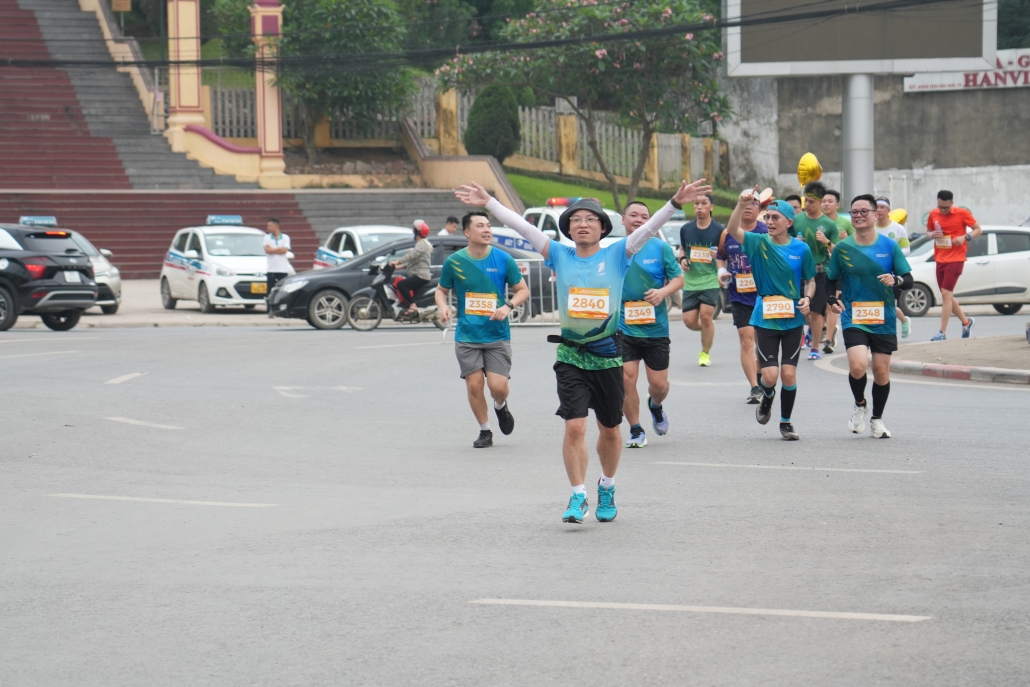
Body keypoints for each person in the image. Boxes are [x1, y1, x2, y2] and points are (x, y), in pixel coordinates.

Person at [455, 178, 710, 524]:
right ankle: (578, 496)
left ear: (603, 227)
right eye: (576, 220)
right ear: (569, 229)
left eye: (590, 219)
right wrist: (490, 203)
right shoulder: (558, 254)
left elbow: (649, 229)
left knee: (609, 430)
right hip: (571, 355)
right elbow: (523, 227)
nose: (583, 224)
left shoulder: (619, 253)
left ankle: (607, 485)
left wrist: (674, 204)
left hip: (607, 354)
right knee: (574, 427)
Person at [725, 188, 816, 441]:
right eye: (768, 218)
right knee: (770, 376)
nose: (770, 222)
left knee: (788, 374)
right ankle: (767, 395)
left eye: (776, 218)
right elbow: (733, 230)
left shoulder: (801, 249)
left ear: (789, 222)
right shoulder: (758, 242)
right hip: (765, 316)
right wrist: (739, 203)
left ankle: (785, 422)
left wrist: (807, 298)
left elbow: (810, 280)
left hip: (793, 318)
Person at [436, 212, 530, 448]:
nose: (487, 230)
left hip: (497, 334)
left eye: (489, 226)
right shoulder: (454, 262)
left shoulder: (503, 259)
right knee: (475, 385)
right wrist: (442, 307)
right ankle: (485, 430)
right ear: (467, 232)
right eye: (480, 226)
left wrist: (508, 306)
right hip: (467, 334)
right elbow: (441, 290)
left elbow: (522, 290)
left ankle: (500, 406)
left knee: (498, 387)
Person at [827, 194, 913, 439]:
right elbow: (831, 279)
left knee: (881, 372)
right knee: (857, 366)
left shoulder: (889, 246)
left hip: (883, 316)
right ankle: (859, 403)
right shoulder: (843, 248)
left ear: (876, 215)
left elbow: (908, 279)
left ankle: (877, 419)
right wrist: (832, 300)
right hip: (854, 315)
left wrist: (895, 279)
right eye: (854, 212)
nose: (858, 216)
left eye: (864, 211)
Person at [619, 201, 684, 448]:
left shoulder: (660, 248)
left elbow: (679, 279)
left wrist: (663, 292)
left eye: (644, 216)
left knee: (658, 385)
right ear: (623, 219)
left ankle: (655, 405)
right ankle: (636, 429)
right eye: (633, 214)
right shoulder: (616, 249)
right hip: (624, 326)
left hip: (655, 327)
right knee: (626, 378)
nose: (638, 219)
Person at [717, 192, 768, 403]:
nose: (749, 206)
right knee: (746, 340)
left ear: (759, 209)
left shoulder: (767, 232)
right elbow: (721, 257)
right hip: (739, 297)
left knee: (762, 344)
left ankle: (762, 378)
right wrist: (721, 272)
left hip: (765, 296)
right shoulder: (727, 233)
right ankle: (755, 388)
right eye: (746, 202)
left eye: (754, 203)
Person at [793, 180, 842, 360]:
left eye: (811, 202)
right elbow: (783, 241)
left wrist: (826, 242)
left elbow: (837, 251)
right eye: (806, 201)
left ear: (821, 201)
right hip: (797, 272)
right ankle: (812, 331)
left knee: (815, 311)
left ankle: (814, 348)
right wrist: (794, 243)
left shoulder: (828, 224)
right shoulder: (797, 220)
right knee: (800, 310)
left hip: (819, 272)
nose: (807, 205)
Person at [927, 190, 982, 341]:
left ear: (952, 203)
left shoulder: (962, 213)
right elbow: (928, 232)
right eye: (940, 207)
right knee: (948, 296)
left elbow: (978, 229)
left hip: (956, 258)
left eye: (945, 207)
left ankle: (942, 333)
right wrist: (933, 235)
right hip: (940, 258)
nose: (942, 210)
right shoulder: (934, 213)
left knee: (946, 294)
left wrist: (965, 237)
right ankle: (966, 322)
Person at [677, 193, 724, 366]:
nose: (699, 207)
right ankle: (708, 329)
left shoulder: (720, 230)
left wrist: (718, 254)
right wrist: (682, 260)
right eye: (696, 203)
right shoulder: (686, 229)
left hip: (710, 279)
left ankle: (705, 353)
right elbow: (682, 249)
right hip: (691, 281)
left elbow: (725, 254)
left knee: (705, 316)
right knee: (689, 322)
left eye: (704, 203)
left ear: (711, 207)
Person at [873, 196, 912, 338]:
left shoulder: (898, 229)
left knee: (888, 306)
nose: (879, 210)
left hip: (892, 274)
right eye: (876, 207)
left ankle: (902, 321)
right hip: (873, 273)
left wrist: (890, 254)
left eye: (882, 207)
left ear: (889, 210)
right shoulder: (869, 228)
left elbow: (907, 249)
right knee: (875, 304)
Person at [820, 189, 853, 352]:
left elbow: (854, 247)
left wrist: (845, 239)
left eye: (829, 201)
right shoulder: (816, 222)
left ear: (837, 205)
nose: (825, 204)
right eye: (823, 201)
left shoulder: (845, 223)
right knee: (815, 309)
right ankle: (828, 328)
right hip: (818, 269)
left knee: (830, 304)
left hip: (837, 270)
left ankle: (828, 340)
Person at [390, 220, 433, 317]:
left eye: (414, 231)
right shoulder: (423, 243)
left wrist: (397, 261)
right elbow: (415, 261)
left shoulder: (421, 244)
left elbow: (411, 256)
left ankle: (412, 306)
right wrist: (398, 267)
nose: (413, 233)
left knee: (401, 285)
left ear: (418, 232)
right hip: (420, 274)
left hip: (421, 276)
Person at [264, 218, 291, 315]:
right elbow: (267, 250)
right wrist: (278, 249)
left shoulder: (285, 237)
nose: (268, 228)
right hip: (271, 269)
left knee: (283, 289)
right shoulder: (267, 237)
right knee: (270, 290)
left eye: (270, 226)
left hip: (282, 269)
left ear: (276, 226)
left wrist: (273, 249)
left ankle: (281, 308)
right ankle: (270, 309)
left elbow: (284, 250)